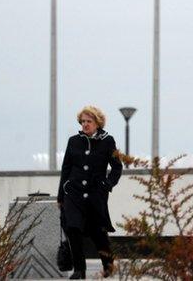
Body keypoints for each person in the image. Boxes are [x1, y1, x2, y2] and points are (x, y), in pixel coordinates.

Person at [57, 106, 123, 279]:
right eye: (83, 121)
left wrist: (107, 185)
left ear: (97, 123)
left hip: (95, 194)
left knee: (98, 232)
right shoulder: (73, 141)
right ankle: (80, 269)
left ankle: (108, 265)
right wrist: (61, 196)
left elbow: (117, 167)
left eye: (89, 121)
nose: (85, 125)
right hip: (74, 193)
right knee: (73, 227)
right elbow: (66, 168)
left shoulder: (108, 141)